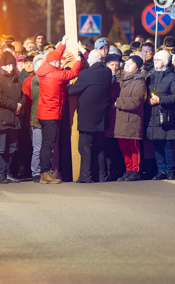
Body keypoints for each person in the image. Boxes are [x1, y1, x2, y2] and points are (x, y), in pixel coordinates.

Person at [35, 35, 84, 183]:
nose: (60, 61)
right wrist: (79, 61)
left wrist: (62, 44)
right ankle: (45, 173)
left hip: (44, 113)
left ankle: (44, 172)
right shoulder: (54, 74)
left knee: (45, 144)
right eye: (59, 61)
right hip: (51, 115)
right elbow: (72, 74)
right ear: (53, 63)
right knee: (48, 145)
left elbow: (54, 57)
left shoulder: (45, 68)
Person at [68, 50, 113, 183]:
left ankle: (85, 176)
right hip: (102, 116)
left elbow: (73, 91)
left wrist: (67, 86)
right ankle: (100, 176)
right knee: (100, 148)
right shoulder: (107, 72)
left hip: (88, 117)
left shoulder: (86, 73)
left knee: (85, 147)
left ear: (89, 61)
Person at [109, 55, 147, 181]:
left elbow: (136, 101)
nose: (127, 65)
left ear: (137, 66)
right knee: (123, 144)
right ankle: (128, 168)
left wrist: (118, 103)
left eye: (131, 63)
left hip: (132, 118)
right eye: (126, 63)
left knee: (133, 144)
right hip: (120, 118)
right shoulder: (121, 79)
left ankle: (135, 170)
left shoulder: (139, 82)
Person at [145, 50, 175, 179]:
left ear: (165, 62)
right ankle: (161, 170)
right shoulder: (151, 76)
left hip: (167, 115)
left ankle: (170, 170)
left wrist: (160, 100)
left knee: (168, 143)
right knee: (157, 143)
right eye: (155, 60)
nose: (155, 62)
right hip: (153, 114)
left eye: (158, 60)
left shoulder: (173, 77)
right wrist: (148, 100)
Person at [0, 52, 25, 183]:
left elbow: (22, 94)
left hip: (13, 118)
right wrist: (14, 105)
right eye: (8, 65)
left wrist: (20, 104)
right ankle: (0, 173)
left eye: (12, 65)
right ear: (3, 65)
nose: (11, 68)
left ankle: (8, 171)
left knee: (11, 148)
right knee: (0, 148)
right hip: (1, 118)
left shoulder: (15, 78)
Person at [21, 54, 46, 183]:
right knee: (37, 147)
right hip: (34, 117)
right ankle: (36, 171)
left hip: (47, 116)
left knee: (47, 147)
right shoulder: (28, 81)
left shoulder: (48, 79)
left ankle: (45, 170)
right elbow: (27, 102)